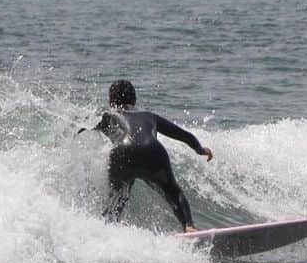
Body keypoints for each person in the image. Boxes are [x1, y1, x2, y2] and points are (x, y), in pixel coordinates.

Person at [80, 80, 212, 232]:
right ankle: (189, 227)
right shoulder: (148, 116)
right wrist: (200, 149)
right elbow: (184, 135)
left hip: (121, 154)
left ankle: (106, 231)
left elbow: (82, 127)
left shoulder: (107, 116)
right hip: (153, 152)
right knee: (174, 193)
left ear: (110, 101)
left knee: (117, 199)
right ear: (134, 101)